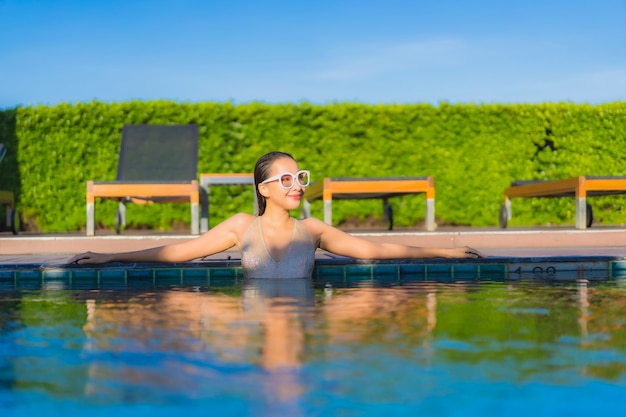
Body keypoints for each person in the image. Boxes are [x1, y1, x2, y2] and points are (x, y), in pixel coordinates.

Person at [67, 151, 486, 278]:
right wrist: (109, 257)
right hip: (255, 326)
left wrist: (445, 253)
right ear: (264, 189)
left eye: (299, 177)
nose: (297, 185)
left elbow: (373, 249)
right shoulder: (240, 227)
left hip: (305, 322)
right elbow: (179, 252)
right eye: (285, 180)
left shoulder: (314, 229)